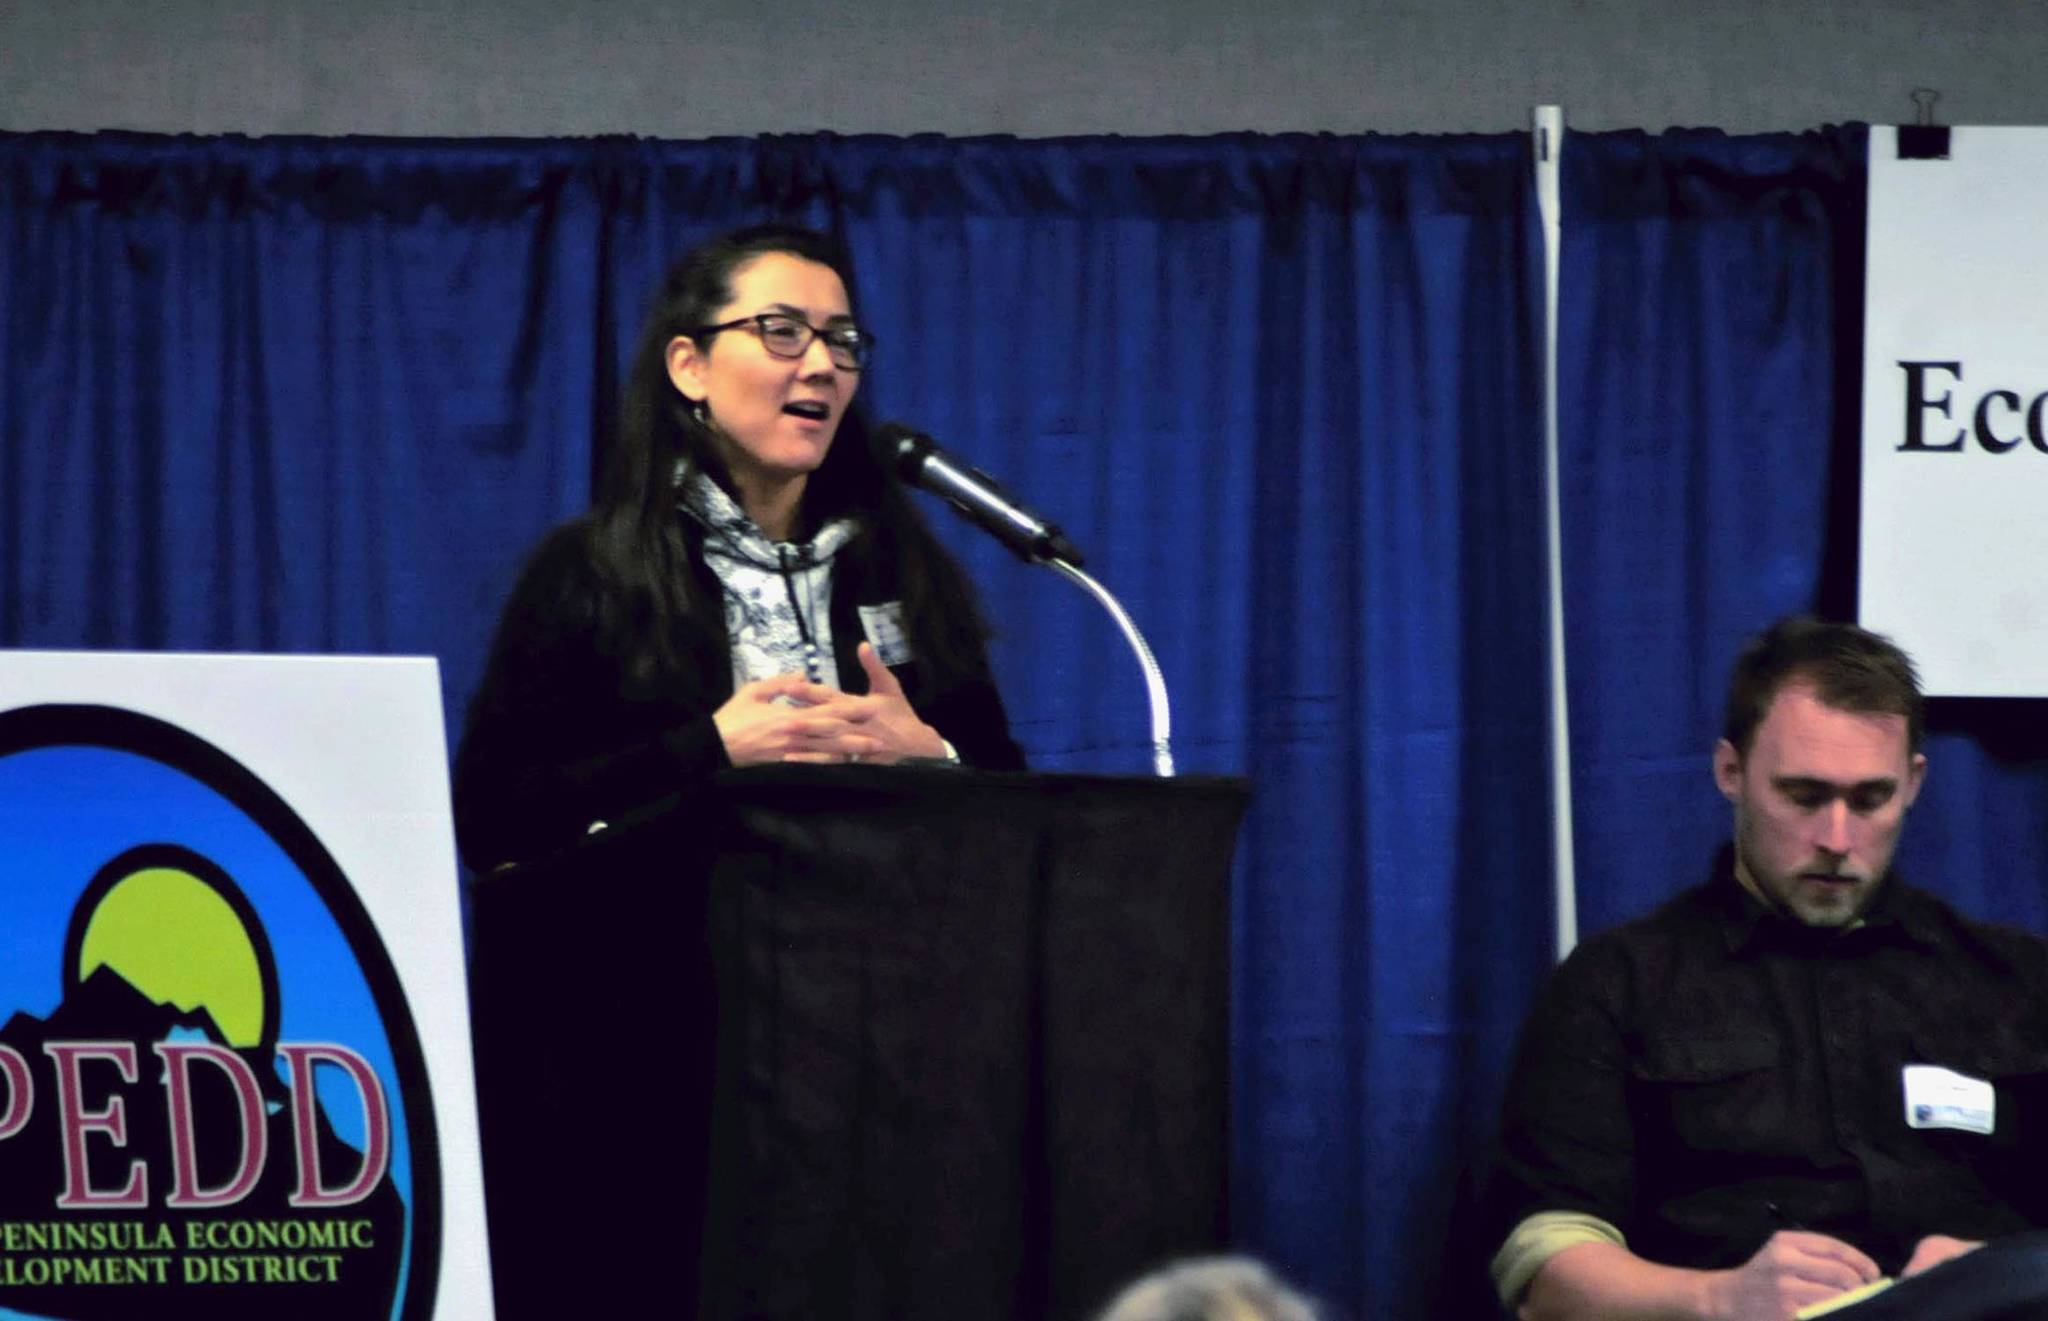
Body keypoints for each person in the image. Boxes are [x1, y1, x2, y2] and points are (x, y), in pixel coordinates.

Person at [1488, 616, 2048, 1320]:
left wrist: (1992, 1271)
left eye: (1869, 798)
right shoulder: (1619, 983)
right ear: (1731, 771)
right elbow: (1545, 1264)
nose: (1837, 839)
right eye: (1804, 796)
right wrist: (1718, 1296)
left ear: (1913, 782)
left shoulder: (2016, 979)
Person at [453, 224, 1025, 871]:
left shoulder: (898, 568)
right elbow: (493, 819)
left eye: (841, 341)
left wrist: (933, 756)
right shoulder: (591, 572)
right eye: (781, 331)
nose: (820, 365)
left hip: (882, 959)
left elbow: (1018, 813)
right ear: (689, 367)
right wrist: (712, 749)